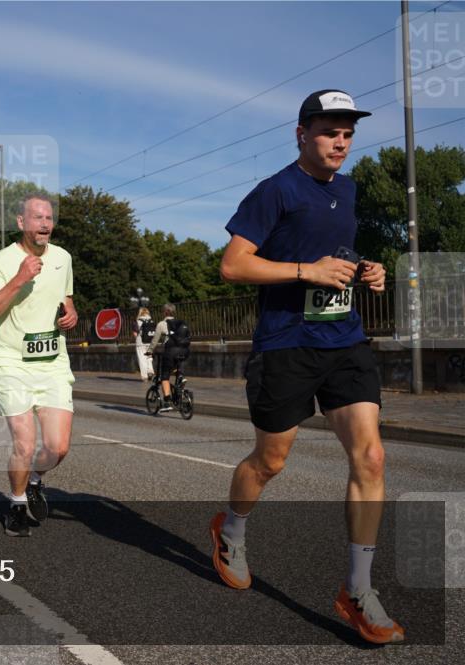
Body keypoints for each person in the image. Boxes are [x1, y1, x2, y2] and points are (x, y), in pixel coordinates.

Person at [210, 90, 401, 644]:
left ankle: (358, 590)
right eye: (328, 131)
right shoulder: (275, 191)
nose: (340, 141)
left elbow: (333, 254)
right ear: (301, 133)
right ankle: (233, 529)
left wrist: (367, 270)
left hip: (344, 340)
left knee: (372, 454)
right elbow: (233, 265)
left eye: (347, 132)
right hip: (286, 345)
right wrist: (305, 272)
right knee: (270, 461)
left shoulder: (349, 189)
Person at [0, 194, 78, 537]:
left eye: (49, 218)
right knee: (24, 442)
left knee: (58, 447)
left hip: (52, 363)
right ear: (21, 222)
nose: (45, 224)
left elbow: (66, 299)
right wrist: (20, 278)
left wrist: (71, 313)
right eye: (37, 218)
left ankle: (34, 479)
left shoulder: (63, 258)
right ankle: (17, 503)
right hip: (12, 364)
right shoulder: (2, 261)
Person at [148, 303, 187, 412]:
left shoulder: (161, 324)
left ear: (165, 312)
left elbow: (155, 340)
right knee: (176, 369)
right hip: (183, 352)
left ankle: (167, 401)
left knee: (164, 376)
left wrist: (149, 351)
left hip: (170, 352)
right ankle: (181, 379)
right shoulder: (181, 323)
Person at [132, 306, 154, 381]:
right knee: (149, 357)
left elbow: (135, 334)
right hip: (150, 342)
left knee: (142, 358)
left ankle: (144, 376)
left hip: (140, 343)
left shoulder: (137, 321)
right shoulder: (151, 321)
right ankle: (150, 371)